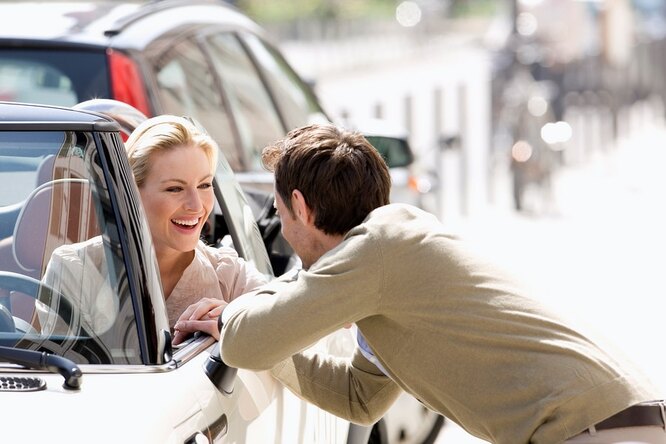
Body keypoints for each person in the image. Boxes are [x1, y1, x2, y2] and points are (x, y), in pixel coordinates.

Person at [175, 123, 665, 443]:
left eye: (280, 213)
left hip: (593, 431)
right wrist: (273, 343)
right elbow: (359, 399)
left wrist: (233, 310)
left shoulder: (377, 250)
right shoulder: (390, 252)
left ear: (301, 207)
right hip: (618, 423)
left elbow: (246, 341)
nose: (281, 228)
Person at [39, 115, 267, 340]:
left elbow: (292, 354)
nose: (196, 206)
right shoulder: (75, 270)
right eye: (175, 189)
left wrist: (238, 329)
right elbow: (63, 368)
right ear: (132, 193)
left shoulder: (231, 277)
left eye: (204, 185)